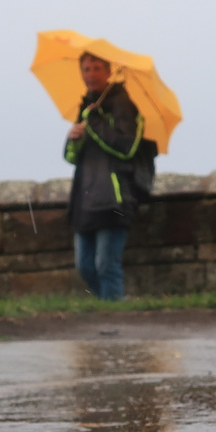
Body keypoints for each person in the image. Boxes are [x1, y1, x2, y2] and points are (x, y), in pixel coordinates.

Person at [65, 51, 145, 300]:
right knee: (84, 265)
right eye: (86, 69)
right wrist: (73, 139)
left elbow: (127, 148)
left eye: (96, 68)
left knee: (106, 266)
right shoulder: (86, 106)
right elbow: (71, 157)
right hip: (85, 197)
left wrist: (96, 124)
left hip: (114, 196)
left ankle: (115, 317)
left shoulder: (122, 103)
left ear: (108, 72)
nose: (90, 75)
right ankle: (112, 307)